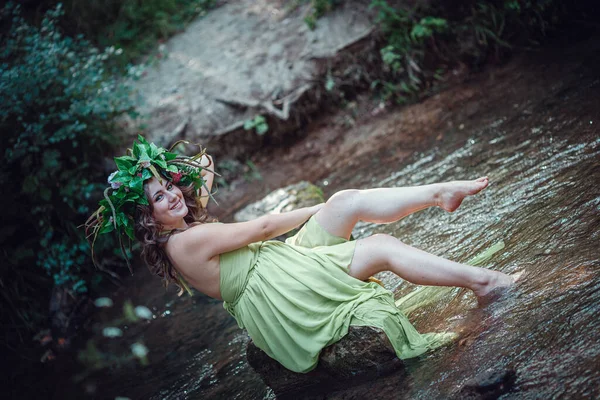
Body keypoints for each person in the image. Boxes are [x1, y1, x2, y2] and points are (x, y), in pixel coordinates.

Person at [87, 135, 514, 374]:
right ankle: (486, 282)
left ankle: (440, 194)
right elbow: (263, 228)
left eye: (169, 186)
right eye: (160, 198)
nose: (173, 196)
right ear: (148, 218)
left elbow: (203, 176)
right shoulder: (184, 242)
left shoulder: (179, 230)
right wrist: (316, 208)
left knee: (347, 201)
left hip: (277, 265)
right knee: (378, 244)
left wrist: (176, 177)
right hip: (278, 293)